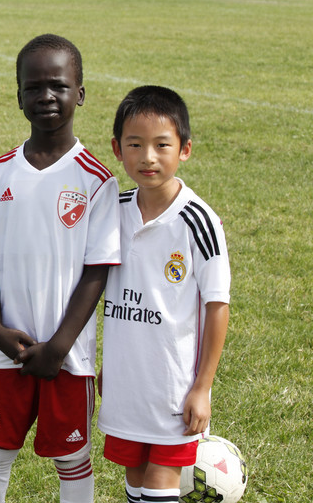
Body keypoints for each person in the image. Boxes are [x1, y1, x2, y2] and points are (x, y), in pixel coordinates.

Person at [0, 33, 120, 503]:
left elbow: (98, 271)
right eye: (34, 87)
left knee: (72, 459)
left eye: (59, 86)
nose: (46, 96)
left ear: (81, 94)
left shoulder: (97, 181)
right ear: (19, 97)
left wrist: (61, 345)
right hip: (7, 347)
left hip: (67, 355)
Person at [98, 85, 230, 503]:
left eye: (161, 145)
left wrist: (202, 386)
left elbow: (217, 304)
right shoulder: (112, 210)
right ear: (117, 149)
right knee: (135, 481)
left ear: (185, 150)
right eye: (135, 145)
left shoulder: (198, 221)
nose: (148, 157)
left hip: (173, 389)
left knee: (160, 484)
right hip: (124, 384)